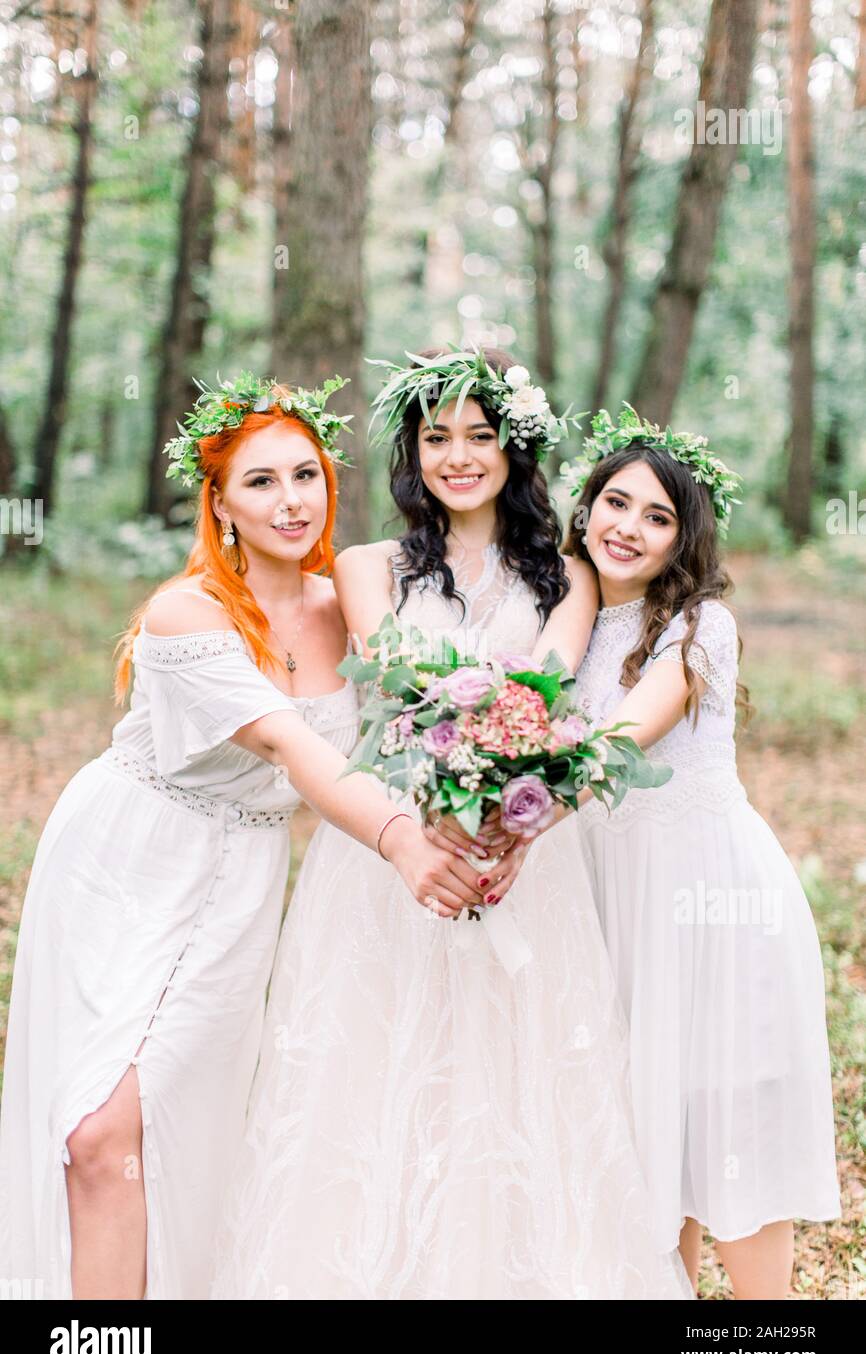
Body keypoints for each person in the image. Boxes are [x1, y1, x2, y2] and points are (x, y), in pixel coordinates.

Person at [210, 350, 693, 1300]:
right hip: (393, 848)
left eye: (480, 435)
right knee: (370, 1085)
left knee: (516, 1090)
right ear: (413, 451)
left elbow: (546, 699)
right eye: (438, 437)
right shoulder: (363, 567)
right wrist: (438, 813)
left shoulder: (567, 577)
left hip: (521, 854)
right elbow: (394, 686)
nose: (459, 456)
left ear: (513, 445)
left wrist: (510, 818)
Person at [0, 374, 495, 1300]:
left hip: (241, 886)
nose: (292, 501)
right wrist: (397, 843)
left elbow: (423, 712)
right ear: (218, 501)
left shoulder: (348, 604)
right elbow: (287, 740)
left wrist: (490, 810)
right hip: (130, 859)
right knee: (95, 1134)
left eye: (305, 475)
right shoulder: (188, 612)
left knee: (172, 1123)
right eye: (260, 482)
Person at [559, 406, 842, 1297]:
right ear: (586, 508)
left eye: (657, 516)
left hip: (709, 903)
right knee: (645, 1148)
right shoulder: (565, 623)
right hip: (614, 902)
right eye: (615, 502)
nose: (628, 528)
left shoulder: (697, 627)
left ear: (685, 538)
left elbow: (624, 737)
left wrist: (501, 762)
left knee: (728, 1137)